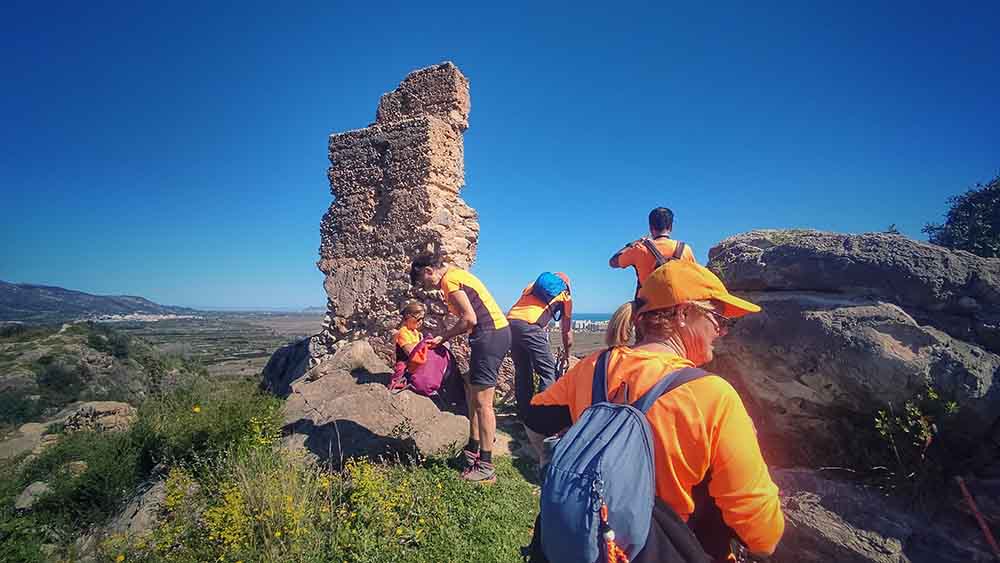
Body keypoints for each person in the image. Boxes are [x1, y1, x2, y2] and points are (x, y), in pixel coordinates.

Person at [524, 260, 784, 561]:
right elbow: (762, 536)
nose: (722, 330)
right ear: (683, 314)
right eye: (718, 318)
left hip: (592, 543)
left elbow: (535, 419)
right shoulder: (713, 396)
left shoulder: (593, 366)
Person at [410, 253, 512, 483]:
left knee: (483, 404)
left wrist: (444, 336)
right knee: (474, 396)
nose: (426, 287)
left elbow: (469, 319)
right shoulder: (457, 275)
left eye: (424, 282)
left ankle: (486, 466)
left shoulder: (449, 281)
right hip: (492, 334)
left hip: (489, 336)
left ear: (428, 271)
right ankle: (472, 451)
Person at [506, 272, 574, 458]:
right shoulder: (565, 296)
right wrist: (567, 353)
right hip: (531, 327)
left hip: (510, 323)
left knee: (522, 371)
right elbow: (566, 332)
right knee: (548, 373)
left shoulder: (531, 286)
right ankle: (543, 421)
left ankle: (524, 416)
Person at [610, 207, 697, 293]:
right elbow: (695, 276)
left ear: (650, 228)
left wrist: (633, 244)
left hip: (649, 301)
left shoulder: (639, 249)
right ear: (670, 227)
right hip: (679, 300)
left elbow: (613, 262)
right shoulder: (685, 249)